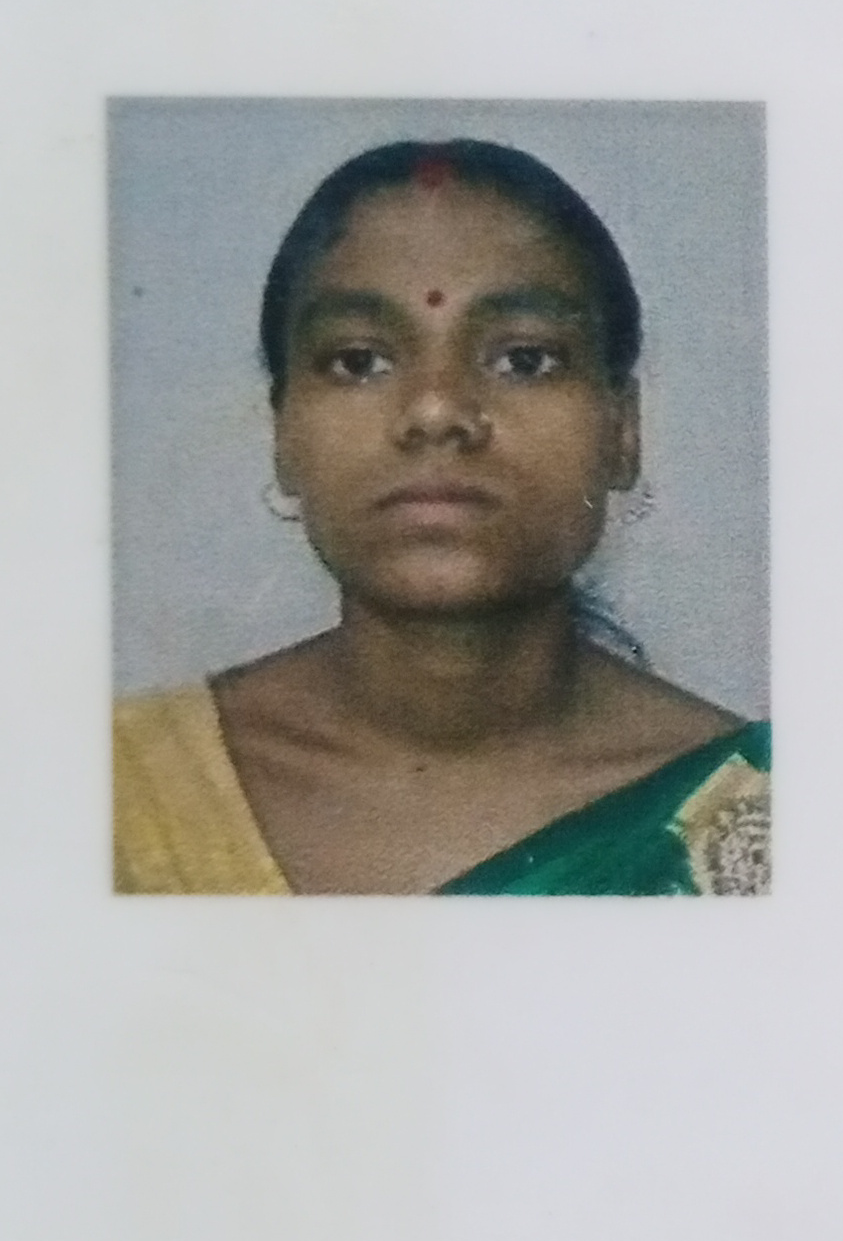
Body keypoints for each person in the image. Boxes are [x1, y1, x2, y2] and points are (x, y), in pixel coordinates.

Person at [114, 139, 768, 895]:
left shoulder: (752, 813)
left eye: (524, 360)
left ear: (625, 432)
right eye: (358, 361)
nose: (435, 411)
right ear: (283, 435)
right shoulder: (119, 794)